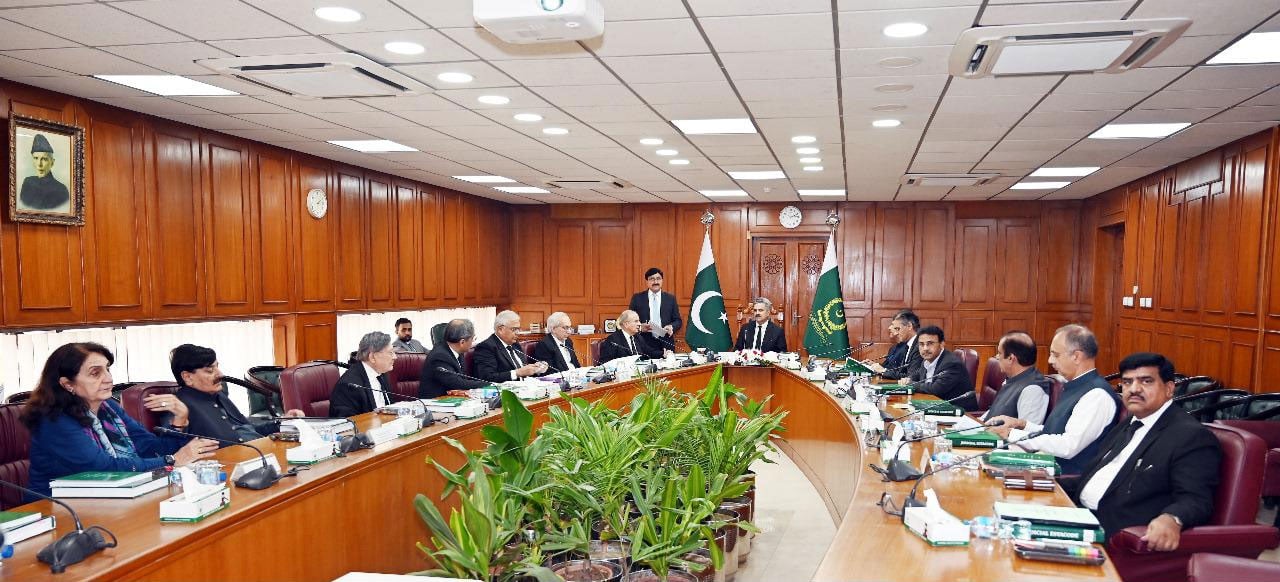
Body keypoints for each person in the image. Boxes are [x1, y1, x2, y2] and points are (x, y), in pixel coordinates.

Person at [20, 342, 217, 498]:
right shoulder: (54, 420)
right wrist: (173, 461)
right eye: (96, 373)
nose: (108, 378)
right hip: (57, 512)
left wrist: (180, 419)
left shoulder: (109, 408)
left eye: (107, 369)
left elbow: (150, 447)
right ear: (68, 384)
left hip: (109, 498)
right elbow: (104, 468)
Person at [1064, 352, 1220, 547]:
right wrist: (1046, 481)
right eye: (1127, 383)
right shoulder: (1131, 422)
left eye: (1146, 381)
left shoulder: (1190, 436)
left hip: (1114, 535)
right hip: (1079, 515)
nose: (1134, 389)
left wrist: (1172, 518)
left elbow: (1195, 499)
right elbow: (1098, 476)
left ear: (1169, 388)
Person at [988, 324, 1120, 476]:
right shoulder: (1075, 386)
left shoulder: (1096, 395)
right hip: (1044, 468)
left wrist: (1011, 434)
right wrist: (1022, 424)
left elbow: (1067, 446)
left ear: (1076, 356)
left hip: (1063, 481)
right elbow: (1055, 431)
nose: (1050, 360)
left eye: (1056, 355)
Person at [171, 344, 303, 445]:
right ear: (187, 377)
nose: (220, 374)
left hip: (261, 454)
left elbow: (249, 430)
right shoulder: (179, 407)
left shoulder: (219, 395)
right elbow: (174, 447)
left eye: (217, 367)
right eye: (210, 370)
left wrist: (283, 422)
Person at [981, 331, 1051, 426]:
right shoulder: (1013, 379)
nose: (997, 357)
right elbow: (992, 414)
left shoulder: (1032, 389)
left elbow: (1026, 434)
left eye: (999, 353)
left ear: (1011, 358)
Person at [907, 325, 977, 411]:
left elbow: (935, 389)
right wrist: (909, 379)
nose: (925, 348)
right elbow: (916, 375)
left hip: (958, 412)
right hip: (936, 406)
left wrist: (910, 383)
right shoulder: (927, 360)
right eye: (921, 344)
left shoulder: (951, 364)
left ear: (942, 344)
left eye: (930, 343)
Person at [329, 332, 398, 418]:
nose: (395, 357)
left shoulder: (382, 374)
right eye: (390, 353)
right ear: (372, 357)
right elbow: (346, 425)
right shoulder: (349, 385)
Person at [421, 319, 490, 399]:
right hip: (434, 404)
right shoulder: (440, 356)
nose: (473, 342)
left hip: (452, 399)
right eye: (473, 338)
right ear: (462, 342)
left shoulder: (457, 352)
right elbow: (456, 382)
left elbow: (461, 381)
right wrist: (489, 384)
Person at [472, 310, 547, 383]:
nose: (518, 333)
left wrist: (536, 369)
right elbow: (487, 377)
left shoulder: (515, 344)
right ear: (500, 329)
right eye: (514, 329)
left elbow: (522, 369)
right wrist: (517, 373)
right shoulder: (486, 347)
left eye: (518, 329)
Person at [628, 267, 683, 355]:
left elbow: (678, 320)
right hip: (644, 343)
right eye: (652, 279)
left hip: (666, 343)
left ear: (662, 280)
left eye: (658, 279)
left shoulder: (670, 298)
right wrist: (640, 327)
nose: (655, 282)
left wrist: (671, 327)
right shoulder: (637, 298)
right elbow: (629, 321)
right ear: (647, 281)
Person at [19, 133, 70, 211]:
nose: (39, 164)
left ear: (52, 162)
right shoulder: (27, 182)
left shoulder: (61, 189)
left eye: (44, 159)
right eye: (36, 158)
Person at [599, 309, 664, 363]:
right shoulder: (613, 340)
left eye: (639, 321)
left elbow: (649, 352)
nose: (639, 324)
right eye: (636, 321)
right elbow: (604, 362)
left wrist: (663, 353)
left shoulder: (638, 337)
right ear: (626, 324)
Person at [871, 311, 921, 379]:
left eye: (898, 329)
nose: (896, 333)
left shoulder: (920, 346)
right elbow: (902, 372)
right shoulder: (909, 345)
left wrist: (884, 371)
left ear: (909, 326)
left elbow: (911, 377)